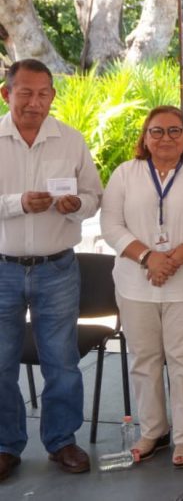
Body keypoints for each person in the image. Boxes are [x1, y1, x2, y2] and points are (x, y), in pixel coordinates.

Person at [101, 105, 183, 468]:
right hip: (135, 283)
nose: (165, 138)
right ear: (145, 137)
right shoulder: (125, 174)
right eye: (156, 131)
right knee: (144, 359)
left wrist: (171, 260)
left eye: (174, 131)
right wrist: (148, 258)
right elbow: (111, 225)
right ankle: (153, 431)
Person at [0, 59, 102, 480]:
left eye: (43, 93)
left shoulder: (71, 140)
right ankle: (5, 446)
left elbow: (94, 196)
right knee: (0, 362)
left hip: (56, 267)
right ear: (6, 94)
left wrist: (77, 205)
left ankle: (62, 441)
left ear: (53, 96)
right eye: (25, 92)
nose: (35, 102)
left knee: (61, 361)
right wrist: (18, 204)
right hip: (2, 269)